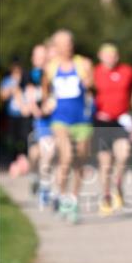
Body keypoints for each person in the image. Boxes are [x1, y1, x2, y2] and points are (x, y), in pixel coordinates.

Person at [42, 30, 94, 223]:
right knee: (67, 156)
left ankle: (73, 200)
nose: (68, 46)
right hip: (60, 119)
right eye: (63, 43)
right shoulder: (51, 67)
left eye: (70, 42)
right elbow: (45, 89)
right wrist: (47, 102)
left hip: (82, 119)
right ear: (56, 46)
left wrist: (90, 84)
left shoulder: (84, 64)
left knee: (80, 162)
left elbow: (93, 89)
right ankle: (62, 195)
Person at [93, 43, 132, 216]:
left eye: (113, 54)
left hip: (122, 119)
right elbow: (87, 94)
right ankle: (106, 197)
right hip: (102, 121)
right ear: (100, 56)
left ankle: (118, 182)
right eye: (107, 55)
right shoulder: (94, 73)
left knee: (124, 154)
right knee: (105, 164)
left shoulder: (127, 71)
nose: (111, 58)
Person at [23, 43, 56, 203]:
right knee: (35, 155)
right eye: (38, 56)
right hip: (38, 119)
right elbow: (29, 97)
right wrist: (38, 111)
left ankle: (46, 186)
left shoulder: (54, 72)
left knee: (48, 153)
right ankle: (35, 177)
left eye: (44, 56)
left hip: (54, 119)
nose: (42, 59)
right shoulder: (31, 75)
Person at [0, 58, 30, 170]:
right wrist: (11, 88)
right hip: (12, 115)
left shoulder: (25, 80)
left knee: (24, 138)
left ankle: (23, 158)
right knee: (12, 139)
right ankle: (13, 160)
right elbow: (2, 95)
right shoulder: (7, 81)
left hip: (23, 115)